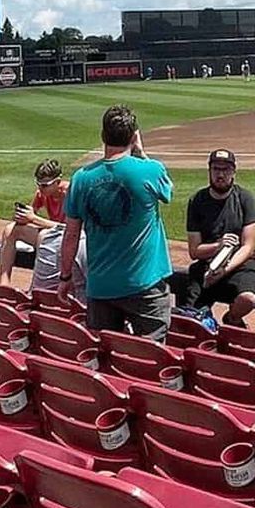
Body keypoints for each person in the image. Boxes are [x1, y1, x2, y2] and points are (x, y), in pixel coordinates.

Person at [58, 105, 173, 340]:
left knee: (106, 357)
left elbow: (70, 235)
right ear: (133, 137)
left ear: (103, 137)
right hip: (145, 286)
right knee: (151, 358)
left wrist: (65, 277)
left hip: (101, 287)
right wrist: (140, 152)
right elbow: (167, 192)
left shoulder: (80, 179)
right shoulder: (150, 170)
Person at [184, 149, 255, 327]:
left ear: (234, 172)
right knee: (189, 316)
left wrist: (222, 272)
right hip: (207, 265)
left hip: (240, 264)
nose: (221, 174)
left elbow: (248, 246)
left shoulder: (244, 198)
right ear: (209, 171)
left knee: (247, 298)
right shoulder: (197, 200)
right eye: (216, 169)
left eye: (226, 170)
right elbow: (194, 251)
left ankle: (232, 319)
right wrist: (218, 246)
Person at [0, 158, 87, 301]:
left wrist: (34, 219)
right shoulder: (41, 194)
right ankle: (4, 284)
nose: (41, 188)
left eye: (45, 185)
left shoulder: (71, 194)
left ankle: (38, 289)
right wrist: (22, 217)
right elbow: (32, 214)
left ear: (58, 182)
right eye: (38, 184)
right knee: (10, 230)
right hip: (54, 236)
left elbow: (75, 229)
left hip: (73, 239)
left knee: (44, 236)